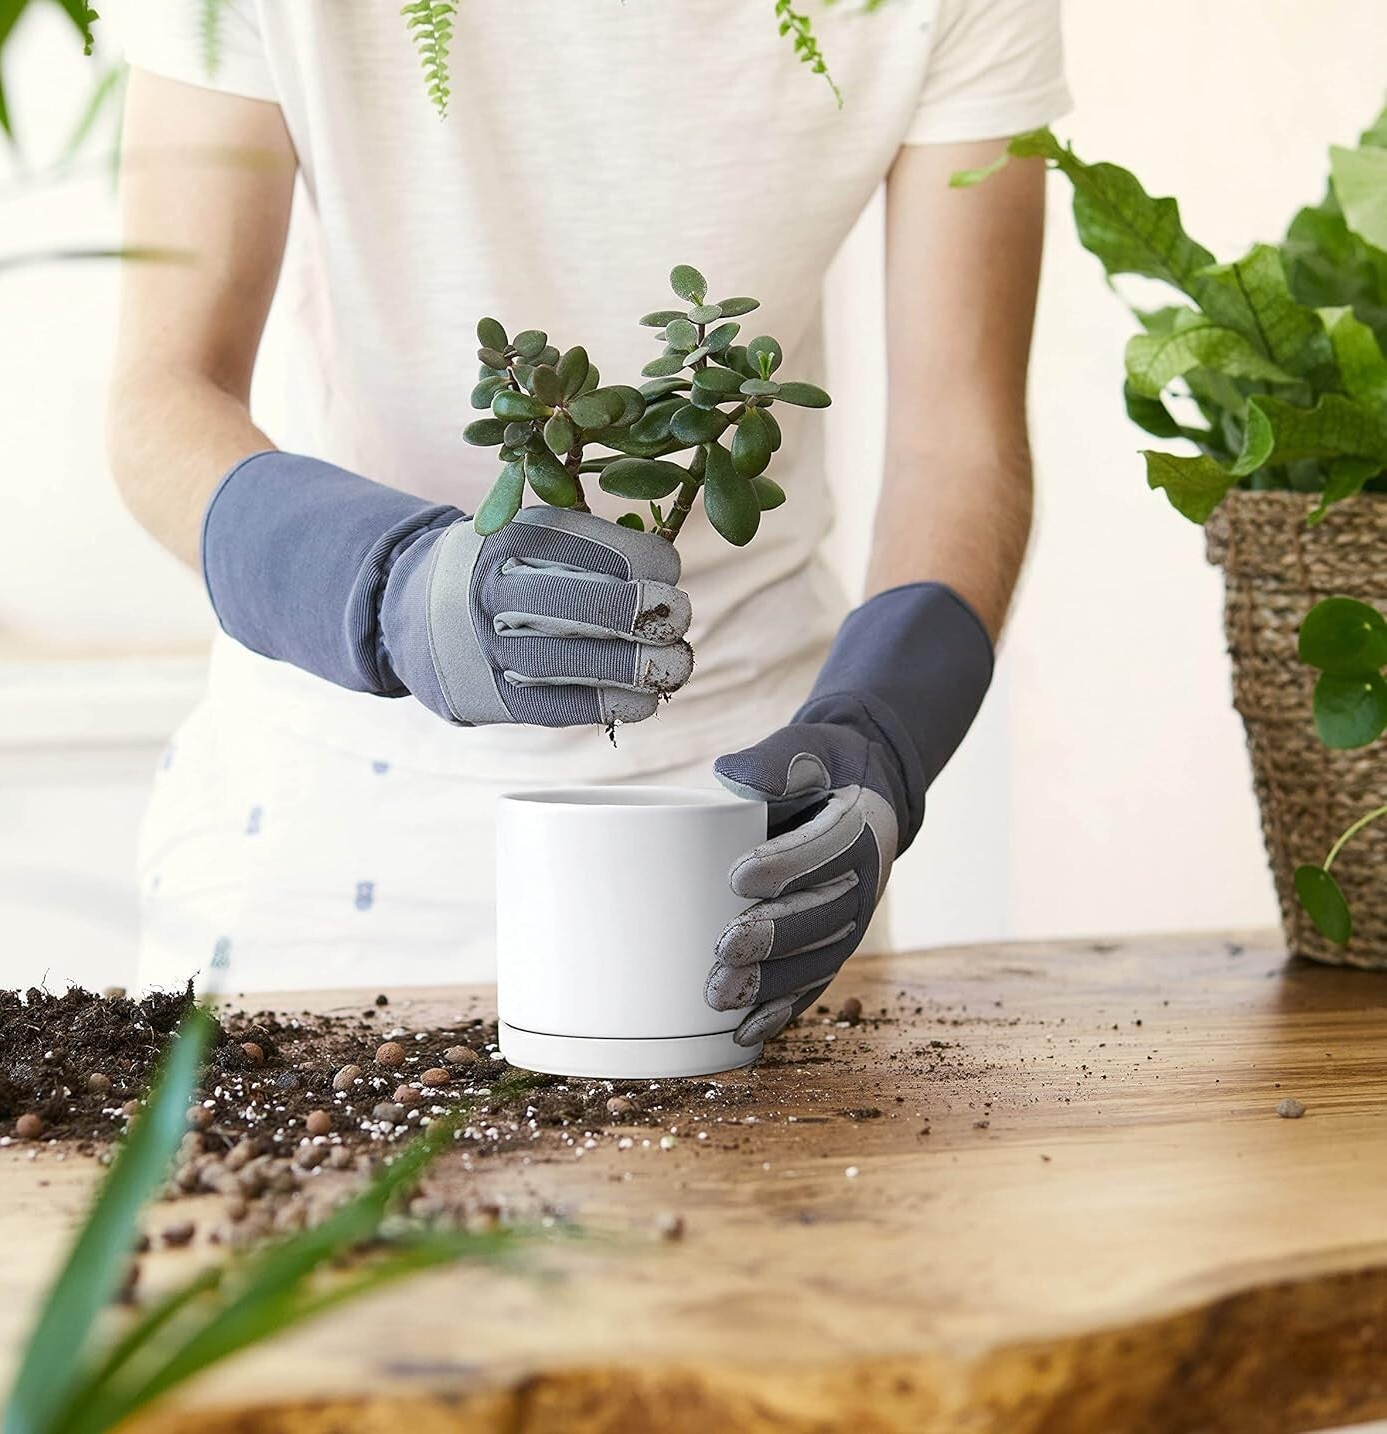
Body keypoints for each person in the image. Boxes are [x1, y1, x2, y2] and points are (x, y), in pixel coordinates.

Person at [108, 0, 1068, 1048]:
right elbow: (162, 398)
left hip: (751, 829)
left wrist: (883, 730)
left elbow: (959, 440)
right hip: (332, 817)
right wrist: (392, 591)